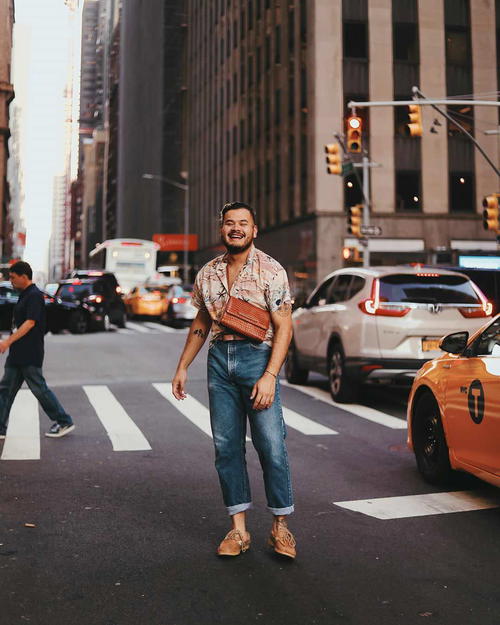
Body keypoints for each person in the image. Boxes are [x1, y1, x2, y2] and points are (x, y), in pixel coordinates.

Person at [172, 202, 296, 559]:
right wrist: (182, 367)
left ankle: (280, 528)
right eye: (229, 223)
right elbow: (200, 322)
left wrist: (270, 375)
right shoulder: (207, 273)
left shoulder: (271, 269)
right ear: (221, 229)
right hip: (219, 363)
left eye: (243, 223)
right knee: (227, 447)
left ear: (255, 230)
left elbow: (284, 325)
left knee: (271, 444)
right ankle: (239, 530)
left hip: (258, 359)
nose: (236, 228)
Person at [0, 261, 74, 439]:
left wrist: (7, 341)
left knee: (39, 388)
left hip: (29, 351)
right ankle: (0, 427)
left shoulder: (33, 295)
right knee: (5, 389)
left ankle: (64, 420)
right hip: (18, 353)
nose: (11, 281)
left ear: (24, 277)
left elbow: (30, 323)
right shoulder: (25, 294)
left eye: (13, 277)